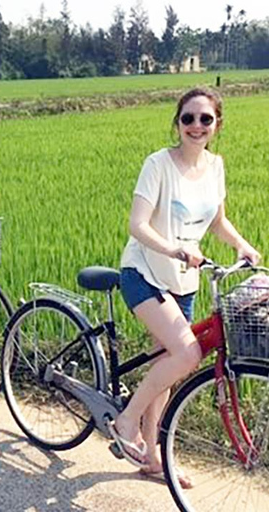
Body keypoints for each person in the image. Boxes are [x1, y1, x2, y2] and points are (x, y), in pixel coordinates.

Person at [113, 88, 261, 487]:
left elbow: (217, 222)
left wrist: (242, 245)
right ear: (177, 122)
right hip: (143, 272)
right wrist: (176, 248)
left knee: (169, 367)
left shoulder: (215, 166)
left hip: (184, 280)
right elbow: (137, 226)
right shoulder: (158, 164)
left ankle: (152, 458)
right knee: (187, 352)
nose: (196, 126)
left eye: (205, 119)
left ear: (217, 125)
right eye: (188, 118)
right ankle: (126, 419)